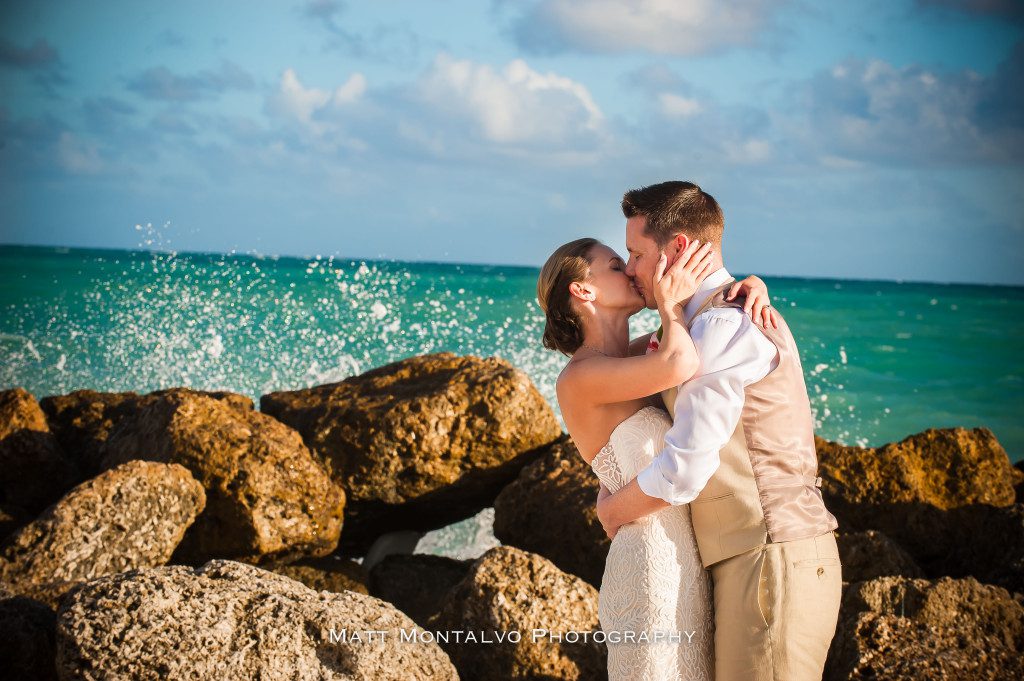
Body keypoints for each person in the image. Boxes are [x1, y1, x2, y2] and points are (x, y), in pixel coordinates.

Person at [596, 180, 842, 681]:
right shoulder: (695, 327)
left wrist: (611, 511)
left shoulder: (723, 326)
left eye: (636, 254)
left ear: (677, 248)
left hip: (772, 559)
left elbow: (684, 470)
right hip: (752, 560)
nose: (631, 268)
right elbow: (609, 365)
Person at [536, 236, 776, 680]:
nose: (630, 270)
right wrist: (668, 303)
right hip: (647, 567)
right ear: (583, 290)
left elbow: (700, 330)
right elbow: (681, 363)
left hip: (688, 563)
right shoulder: (579, 377)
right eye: (615, 266)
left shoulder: (634, 356)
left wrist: (746, 288)